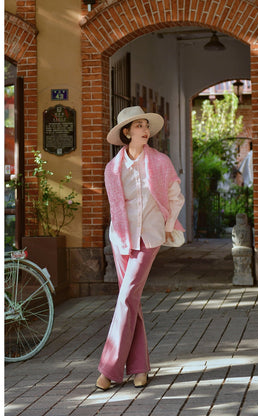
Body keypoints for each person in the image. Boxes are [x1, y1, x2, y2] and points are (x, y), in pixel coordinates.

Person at [96, 106, 185, 390]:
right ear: (126, 132)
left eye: (146, 125)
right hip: (122, 239)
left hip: (150, 237)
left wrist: (169, 224)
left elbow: (175, 196)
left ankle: (109, 369)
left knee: (126, 298)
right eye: (138, 126)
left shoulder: (160, 161)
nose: (145, 130)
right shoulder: (113, 168)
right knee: (131, 303)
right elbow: (115, 207)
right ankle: (139, 369)